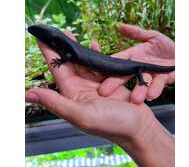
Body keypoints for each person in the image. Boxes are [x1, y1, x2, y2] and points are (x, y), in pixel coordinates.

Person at [26, 24, 175, 167]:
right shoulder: (62, 43)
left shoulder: (64, 45)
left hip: (131, 67)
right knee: (138, 68)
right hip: (129, 66)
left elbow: (68, 55)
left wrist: (61, 60)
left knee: (139, 69)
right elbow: (69, 54)